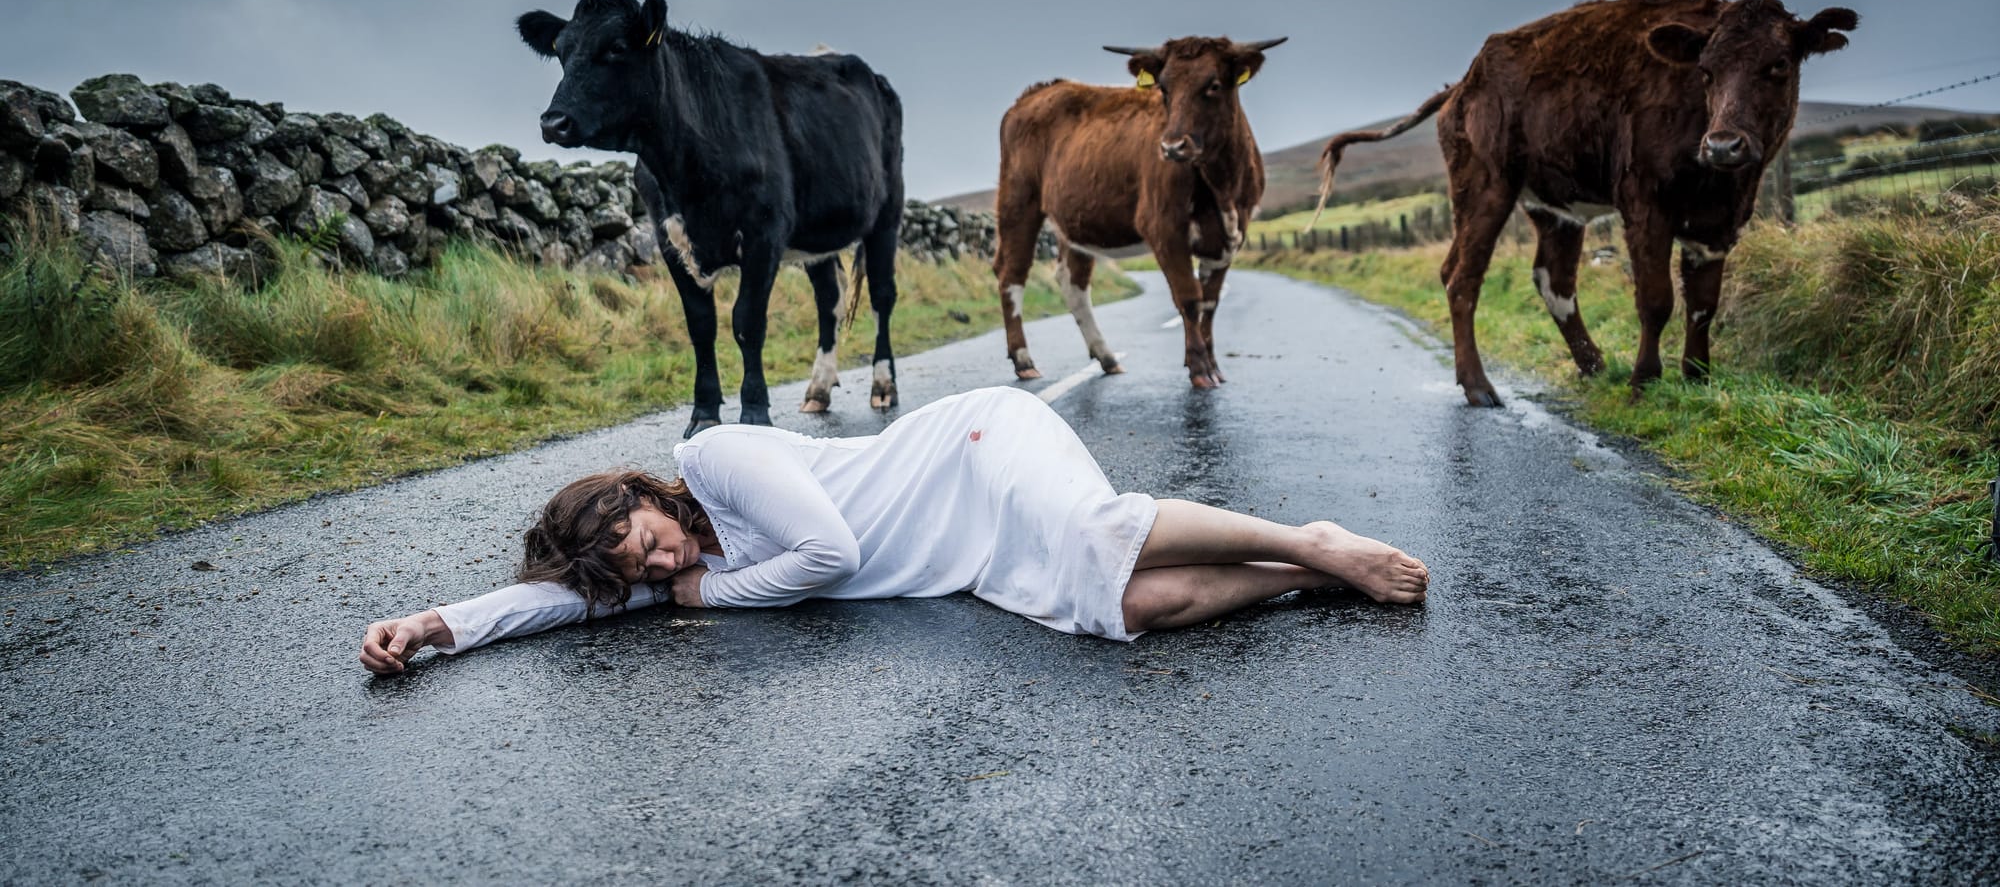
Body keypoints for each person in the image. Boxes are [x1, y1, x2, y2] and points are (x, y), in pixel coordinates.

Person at [359, 386, 1429, 674]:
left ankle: (1308, 539)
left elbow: (832, 554)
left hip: (970, 449)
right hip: (961, 556)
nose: (658, 563)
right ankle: (1303, 580)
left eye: (644, 540)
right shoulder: (637, 573)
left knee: (1092, 530)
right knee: (1126, 610)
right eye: (634, 569)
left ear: (641, 497)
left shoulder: (714, 458)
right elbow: (550, 604)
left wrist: (708, 592)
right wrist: (434, 625)